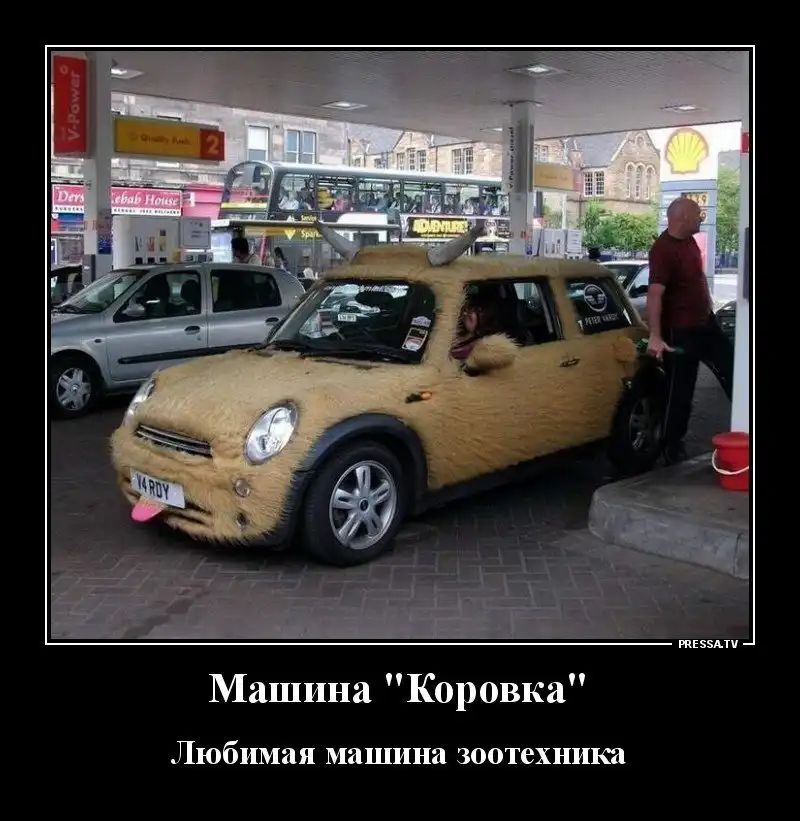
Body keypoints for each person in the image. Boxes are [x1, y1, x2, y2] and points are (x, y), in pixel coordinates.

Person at [646, 196, 733, 465]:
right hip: (681, 332)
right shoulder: (663, 250)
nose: (701, 218)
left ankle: (745, 423)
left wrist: (708, 306)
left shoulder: (690, 242)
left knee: (734, 370)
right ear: (683, 217)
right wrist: (655, 334)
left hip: (706, 324)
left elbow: (697, 280)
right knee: (680, 390)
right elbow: (655, 295)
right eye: (698, 214)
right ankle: (671, 445)